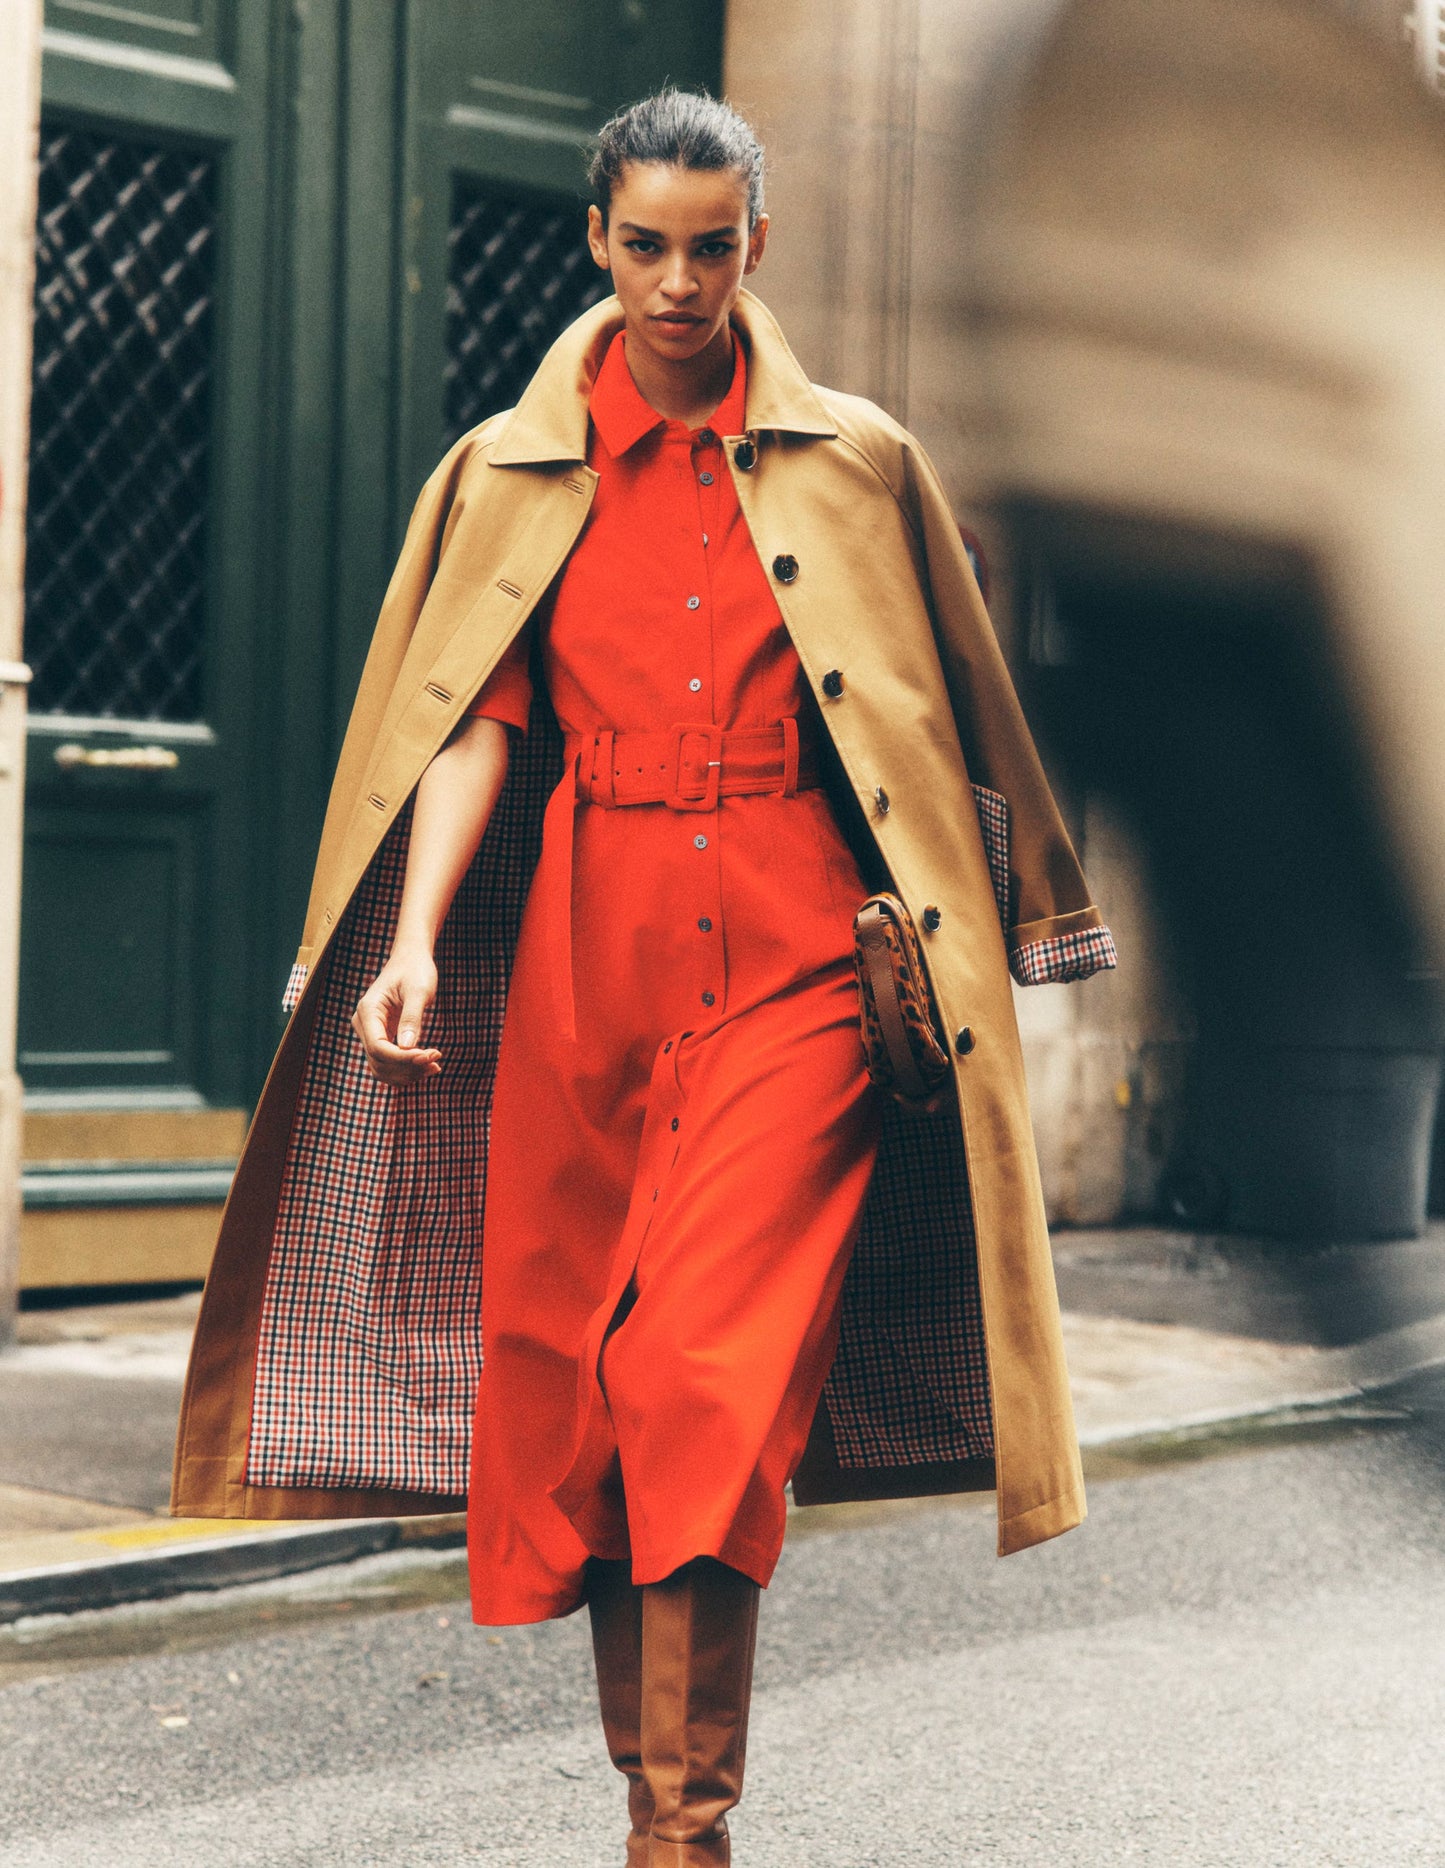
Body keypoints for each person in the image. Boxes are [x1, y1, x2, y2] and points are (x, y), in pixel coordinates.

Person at [172, 90, 1115, 1867]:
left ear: (757, 243)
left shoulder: (859, 462)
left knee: (695, 1375)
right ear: (596, 242)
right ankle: (656, 1807)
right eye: (643, 244)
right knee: (591, 1391)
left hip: (798, 975)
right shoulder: (506, 469)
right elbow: (465, 723)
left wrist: (992, 935)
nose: (678, 282)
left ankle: (681, 1836)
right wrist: (420, 937)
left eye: (710, 244)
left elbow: (950, 723)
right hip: (584, 970)